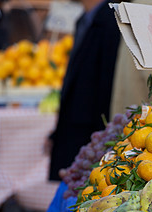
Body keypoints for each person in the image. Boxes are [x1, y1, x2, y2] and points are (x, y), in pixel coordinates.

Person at [48, 0, 120, 181]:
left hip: (89, 138)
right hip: (75, 135)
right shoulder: (85, 18)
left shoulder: (111, 20)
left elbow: (106, 87)